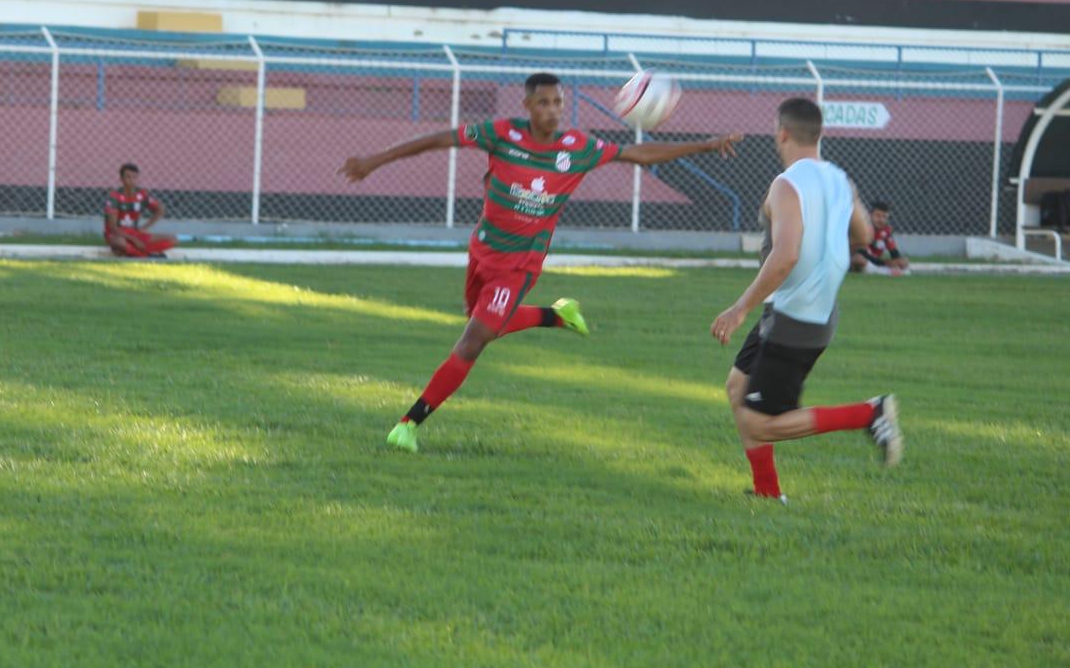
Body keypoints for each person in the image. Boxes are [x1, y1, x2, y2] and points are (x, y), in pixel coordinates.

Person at [340, 72, 742, 453]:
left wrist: (705, 145)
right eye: (544, 102)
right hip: (482, 250)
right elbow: (437, 140)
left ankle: (408, 424)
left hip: (519, 266)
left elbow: (637, 155)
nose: (553, 109)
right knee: (482, 325)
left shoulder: (577, 147)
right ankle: (557, 316)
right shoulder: (501, 133)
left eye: (558, 102)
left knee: (473, 340)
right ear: (528, 105)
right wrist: (375, 160)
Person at [711, 97, 903, 503]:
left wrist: (738, 307)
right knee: (737, 388)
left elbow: (785, 256)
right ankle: (767, 493)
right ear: (820, 133)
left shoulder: (786, 185)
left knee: (759, 422)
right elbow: (865, 236)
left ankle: (869, 414)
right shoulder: (839, 178)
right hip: (792, 310)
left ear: (781, 133)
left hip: (796, 318)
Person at [104, 163, 177, 259]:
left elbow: (160, 209)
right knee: (118, 242)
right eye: (128, 177)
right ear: (121, 179)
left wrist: (144, 227)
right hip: (118, 235)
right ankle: (147, 255)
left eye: (134, 177)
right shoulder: (114, 197)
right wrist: (134, 240)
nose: (132, 180)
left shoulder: (141, 194)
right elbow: (112, 227)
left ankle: (132, 252)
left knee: (173, 239)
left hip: (135, 233)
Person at [850, 200, 909, 275]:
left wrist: (898, 261)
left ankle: (881, 271)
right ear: (870, 215)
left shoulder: (886, 232)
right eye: (878, 215)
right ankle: (884, 272)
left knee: (904, 261)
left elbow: (894, 253)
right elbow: (861, 252)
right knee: (858, 259)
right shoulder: (863, 229)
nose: (881, 220)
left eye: (884, 217)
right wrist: (885, 263)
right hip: (859, 260)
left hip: (875, 263)